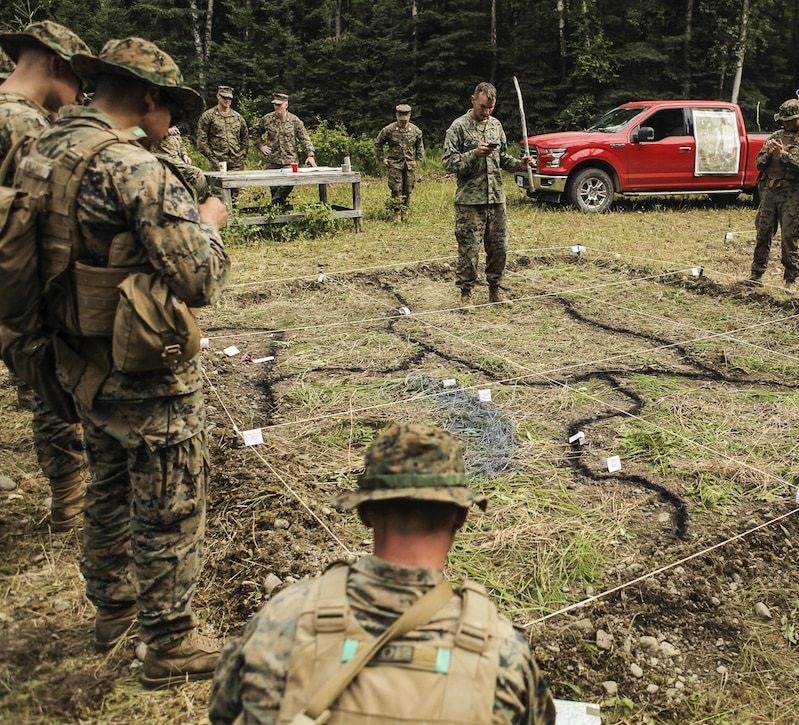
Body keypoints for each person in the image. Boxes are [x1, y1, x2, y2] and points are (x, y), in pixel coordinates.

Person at [18, 37, 231, 686]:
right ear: (148, 97)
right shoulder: (132, 168)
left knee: (107, 482)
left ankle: (113, 609)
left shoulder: (47, 147)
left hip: (79, 354)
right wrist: (212, 219)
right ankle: (171, 642)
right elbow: (197, 276)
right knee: (170, 495)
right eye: (173, 111)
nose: (175, 125)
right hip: (143, 364)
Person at [208, 422, 556, 724]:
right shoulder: (503, 654)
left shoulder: (282, 620)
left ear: (365, 513)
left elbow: (223, 712)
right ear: (460, 518)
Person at [0, 20, 91, 530]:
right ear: (58, 64)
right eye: (79, 82)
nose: (79, 95)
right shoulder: (26, 126)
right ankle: (69, 502)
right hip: (25, 283)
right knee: (53, 389)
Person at [441, 82, 534, 308]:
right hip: (469, 202)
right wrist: (474, 154)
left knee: (498, 248)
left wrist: (520, 165)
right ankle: (466, 294)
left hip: (496, 199)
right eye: (483, 107)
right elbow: (448, 162)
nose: (486, 112)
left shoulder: (495, 125)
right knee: (469, 250)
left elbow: (502, 159)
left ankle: (495, 290)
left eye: (491, 108)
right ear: (472, 99)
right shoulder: (458, 127)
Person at [746, 98, 799, 291]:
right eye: (784, 120)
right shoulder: (776, 136)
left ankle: (791, 279)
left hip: (793, 193)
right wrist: (769, 154)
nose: (786, 124)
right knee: (763, 233)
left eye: (789, 120)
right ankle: (756, 273)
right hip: (770, 191)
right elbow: (758, 163)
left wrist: (783, 156)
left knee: (789, 236)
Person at [252, 92, 315, 206]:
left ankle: (274, 206)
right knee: (275, 188)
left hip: (289, 161)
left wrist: (310, 155)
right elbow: (255, 132)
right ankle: (278, 215)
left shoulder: (294, 121)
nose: (277, 107)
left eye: (279, 105)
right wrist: (261, 146)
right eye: (275, 104)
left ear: (286, 105)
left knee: (287, 185)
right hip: (273, 161)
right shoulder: (267, 119)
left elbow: (304, 138)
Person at [375, 103, 425, 220]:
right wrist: (383, 159)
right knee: (396, 189)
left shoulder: (415, 131)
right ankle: (396, 213)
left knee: (408, 189)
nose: (403, 121)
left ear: (409, 116)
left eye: (405, 119)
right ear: (397, 116)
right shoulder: (389, 130)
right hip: (395, 165)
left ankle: (405, 213)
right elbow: (378, 144)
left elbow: (420, 147)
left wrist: (417, 161)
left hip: (409, 165)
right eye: (401, 119)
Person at [196, 85, 248, 173]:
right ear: (218, 96)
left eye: (229, 98)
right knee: (218, 186)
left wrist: (241, 155)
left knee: (237, 186)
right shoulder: (208, 116)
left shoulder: (237, 117)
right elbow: (202, 141)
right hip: (217, 163)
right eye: (224, 97)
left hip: (236, 164)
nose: (227, 100)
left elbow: (245, 138)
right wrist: (213, 159)